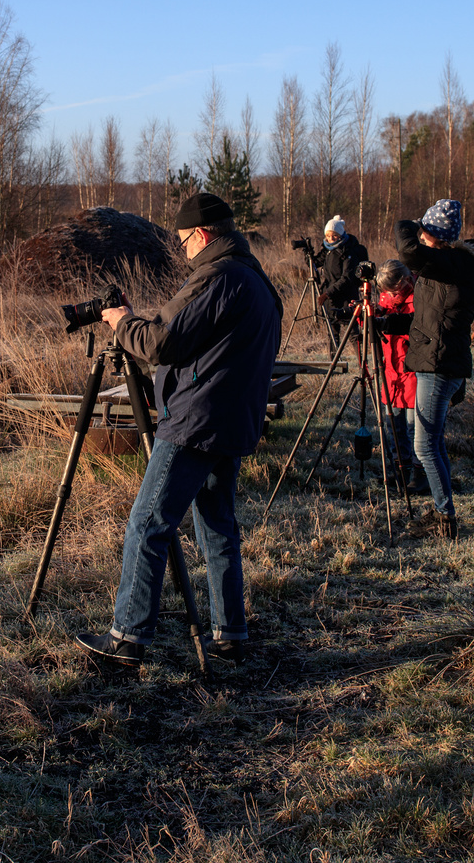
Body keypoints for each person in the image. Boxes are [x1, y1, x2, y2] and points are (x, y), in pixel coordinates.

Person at [76, 192, 283, 666]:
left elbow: (160, 343)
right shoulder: (255, 280)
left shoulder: (216, 277)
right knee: (217, 528)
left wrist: (122, 321)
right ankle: (230, 633)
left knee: (148, 524)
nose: (183, 247)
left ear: (203, 235)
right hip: (231, 421)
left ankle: (127, 638)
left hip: (195, 423)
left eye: (185, 238)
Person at [394, 199, 474, 539]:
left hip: (439, 365)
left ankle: (445, 518)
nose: (421, 237)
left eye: (426, 232)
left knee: (423, 445)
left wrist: (414, 224)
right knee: (433, 441)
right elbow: (428, 318)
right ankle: (443, 511)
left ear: (434, 235)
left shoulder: (452, 264)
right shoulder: (454, 265)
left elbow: (407, 246)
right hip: (440, 360)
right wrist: (388, 324)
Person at [372, 259, 426, 491]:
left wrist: (388, 323)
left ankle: (420, 475)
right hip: (391, 372)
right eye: (385, 291)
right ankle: (400, 471)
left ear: (404, 282)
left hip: (412, 371)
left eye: (391, 290)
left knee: (416, 428)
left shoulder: (419, 300)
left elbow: (417, 331)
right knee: (393, 426)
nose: (388, 295)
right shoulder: (385, 300)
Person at [315, 215, 368, 344]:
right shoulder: (327, 251)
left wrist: (327, 293)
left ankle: (361, 363)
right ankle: (334, 362)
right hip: (331, 300)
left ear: (340, 235)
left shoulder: (348, 251)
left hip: (346, 298)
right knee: (333, 334)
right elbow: (315, 263)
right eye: (328, 236)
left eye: (334, 236)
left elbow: (347, 278)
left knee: (353, 333)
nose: (331, 239)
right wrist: (307, 251)